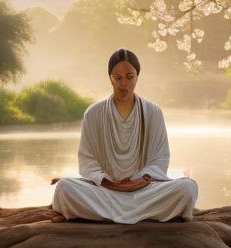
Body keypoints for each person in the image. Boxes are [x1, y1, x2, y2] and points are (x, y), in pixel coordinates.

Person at [51, 48, 198, 223]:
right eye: (118, 78)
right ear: (110, 78)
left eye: (129, 77)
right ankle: (141, 214)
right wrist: (109, 183)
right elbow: (87, 160)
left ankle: (102, 214)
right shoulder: (93, 113)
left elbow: (160, 158)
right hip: (105, 190)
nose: (124, 84)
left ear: (137, 77)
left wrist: (139, 181)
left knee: (188, 187)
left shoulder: (153, 112)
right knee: (64, 188)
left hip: (143, 190)